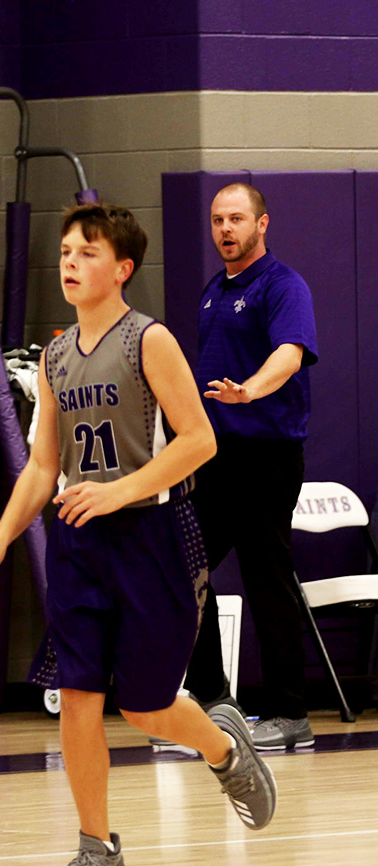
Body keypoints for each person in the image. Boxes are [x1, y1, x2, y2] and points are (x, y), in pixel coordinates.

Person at [0, 202, 277, 866]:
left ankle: (222, 745)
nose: (70, 261)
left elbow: (199, 440)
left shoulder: (149, 340)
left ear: (122, 268)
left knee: (147, 706)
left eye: (87, 252)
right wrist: (0, 539)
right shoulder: (54, 355)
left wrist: (119, 490)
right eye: (66, 250)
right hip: (78, 540)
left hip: (154, 535)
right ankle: (98, 848)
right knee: (77, 695)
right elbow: (43, 466)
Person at [182, 183, 319, 751]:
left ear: (262, 224)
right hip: (218, 457)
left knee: (268, 580)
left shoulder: (284, 285)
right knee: (183, 568)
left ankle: (292, 713)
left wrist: (250, 392)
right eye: (217, 220)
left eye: (236, 219)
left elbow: (289, 353)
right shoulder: (214, 291)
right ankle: (217, 705)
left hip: (267, 456)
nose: (225, 230)